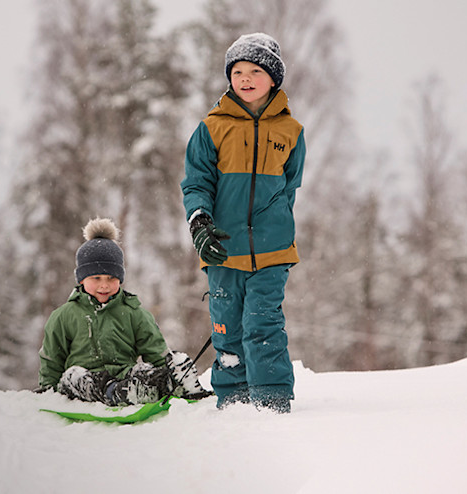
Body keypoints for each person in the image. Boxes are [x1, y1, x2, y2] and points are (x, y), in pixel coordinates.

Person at [181, 33, 306, 413]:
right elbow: (196, 182)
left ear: (273, 78)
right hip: (223, 248)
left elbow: (290, 188)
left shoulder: (291, 132)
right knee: (227, 328)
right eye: (238, 71)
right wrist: (200, 221)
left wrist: (275, 228)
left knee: (262, 324)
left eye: (255, 70)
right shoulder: (211, 129)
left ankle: (271, 401)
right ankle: (233, 401)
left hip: (272, 251)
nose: (246, 78)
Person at [38, 217, 211, 405]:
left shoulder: (133, 313)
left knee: (145, 373)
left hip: (125, 377)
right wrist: (48, 391)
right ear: (81, 279)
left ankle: (173, 384)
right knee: (73, 376)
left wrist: (167, 370)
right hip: (85, 383)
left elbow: (154, 351)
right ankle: (118, 393)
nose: (104, 285)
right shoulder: (64, 316)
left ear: (120, 279)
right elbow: (52, 360)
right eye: (96, 278)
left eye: (111, 278)